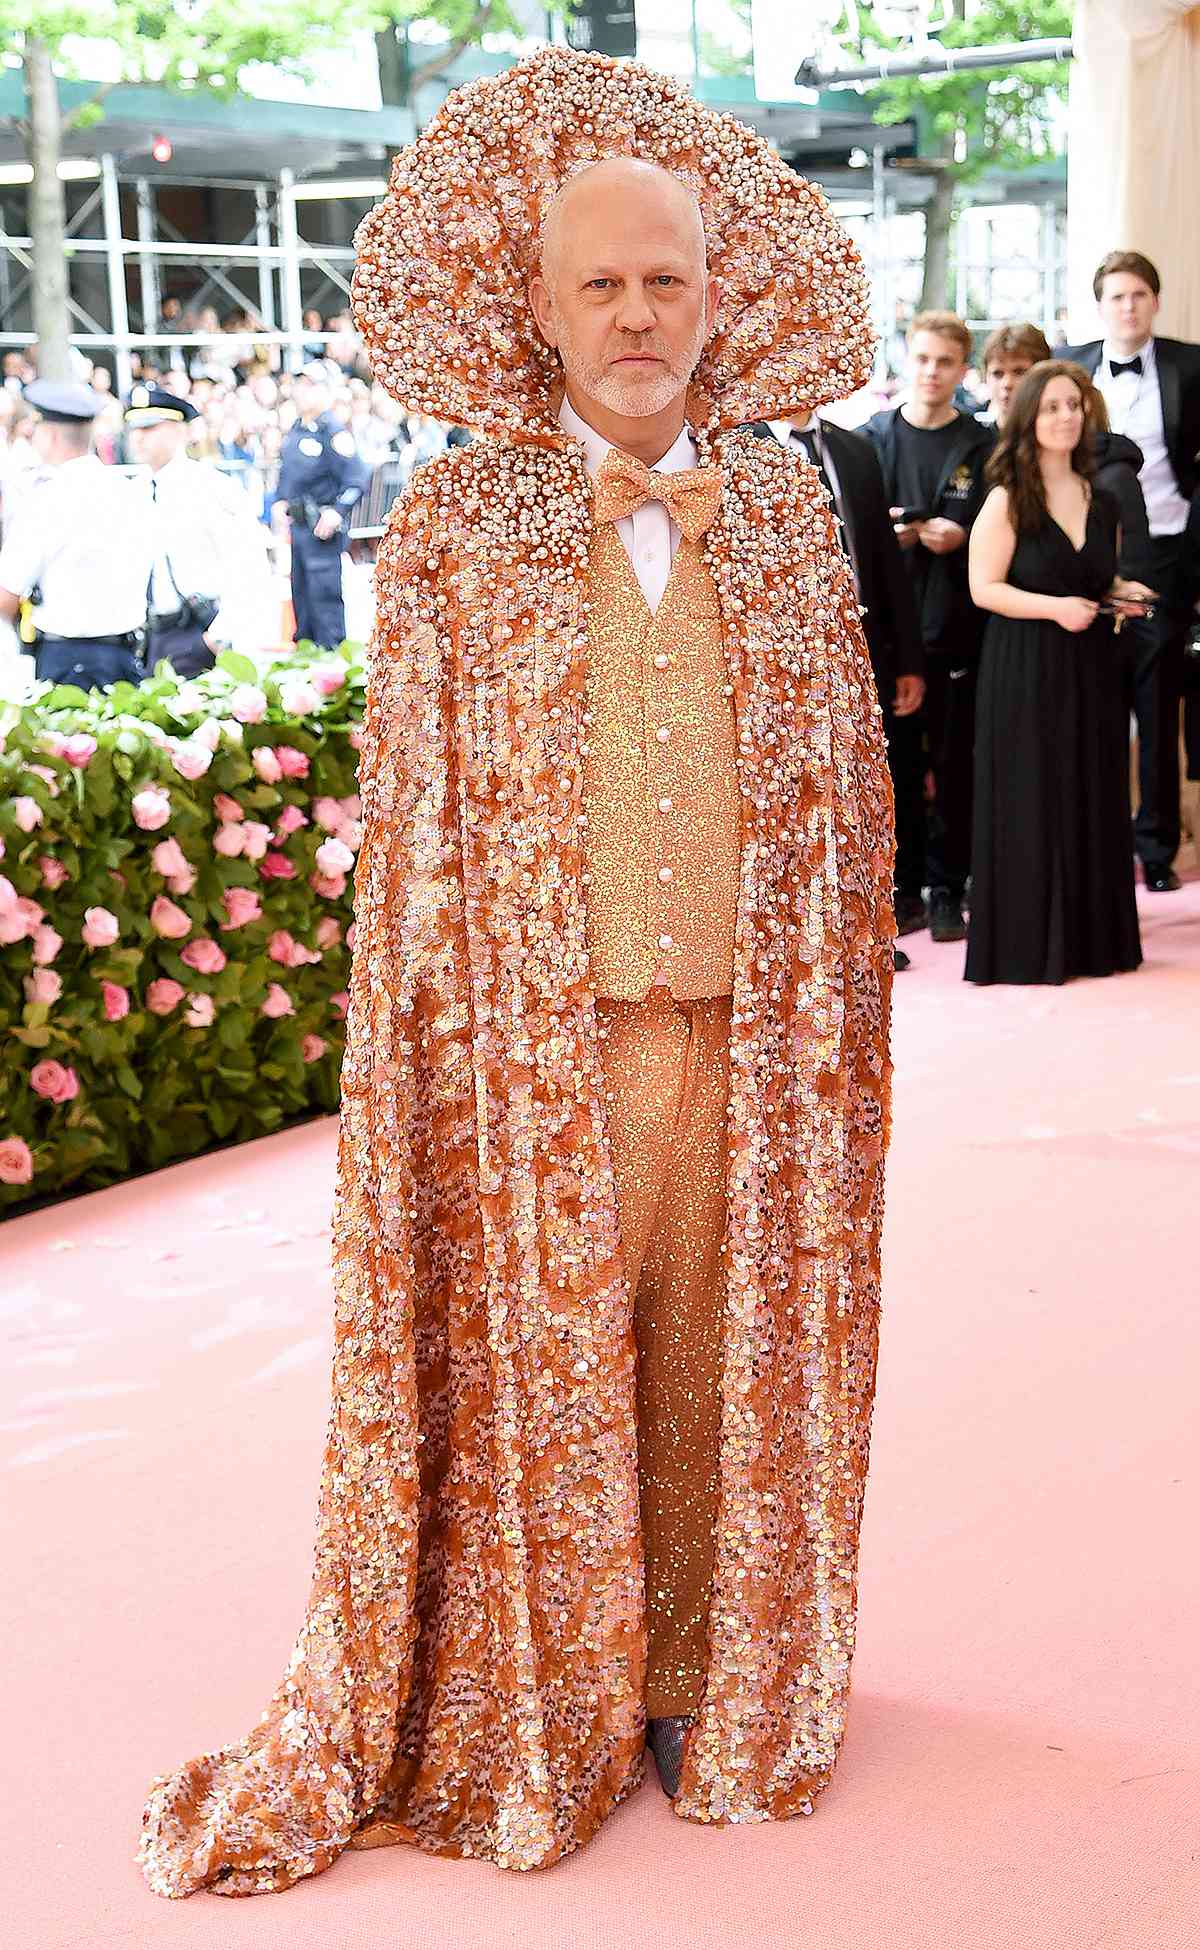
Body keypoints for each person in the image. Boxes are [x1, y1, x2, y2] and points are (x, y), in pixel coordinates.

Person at [138, 46, 895, 1898]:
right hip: (537, 1045)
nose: (640, 316)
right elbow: (417, 838)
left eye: (669, 279)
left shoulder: (793, 510)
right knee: (552, 1361)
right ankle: (545, 1676)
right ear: (535, 304)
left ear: (725, 297)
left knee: (727, 1357)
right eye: (602, 284)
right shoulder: (455, 526)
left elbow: (850, 792)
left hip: (752, 1035)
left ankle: (703, 1671)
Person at [965, 362, 1151, 984]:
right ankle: (1029, 948)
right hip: (1023, 667)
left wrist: (1125, 593)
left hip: (1091, 666)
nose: (1066, 416)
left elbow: (1096, 580)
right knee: (1032, 798)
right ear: (1029, 420)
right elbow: (983, 588)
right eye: (1052, 407)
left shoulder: (1103, 495)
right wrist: (1053, 609)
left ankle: (1094, 942)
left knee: (1091, 789)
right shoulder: (1007, 498)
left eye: (1074, 405)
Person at [756, 407, 925, 969]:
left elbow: (882, 560)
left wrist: (905, 658)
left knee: (858, 790)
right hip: (774, 656)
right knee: (793, 796)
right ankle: (800, 939)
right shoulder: (734, 442)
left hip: (860, 648)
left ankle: (866, 932)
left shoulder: (854, 451)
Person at [1056, 251, 1200, 890]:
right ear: (1100, 305)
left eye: (1139, 294)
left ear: (1155, 301)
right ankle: (1098, 841)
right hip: (1090, 560)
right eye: (1117, 296)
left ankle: (1157, 850)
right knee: (1094, 701)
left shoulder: (1190, 365)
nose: (1129, 306)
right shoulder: (1069, 369)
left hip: (1170, 553)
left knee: (1157, 700)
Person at [864, 312, 996, 942]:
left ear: (961, 370)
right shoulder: (870, 441)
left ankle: (948, 888)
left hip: (958, 630)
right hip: (885, 638)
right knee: (892, 769)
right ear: (905, 361)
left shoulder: (984, 446)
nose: (932, 372)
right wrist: (884, 537)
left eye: (945, 362)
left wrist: (966, 538)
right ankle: (903, 888)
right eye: (922, 359)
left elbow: (1007, 533)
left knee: (954, 763)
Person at [0, 381, 152, 687]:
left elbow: (7, 594)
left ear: (50, 435)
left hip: (67, 659)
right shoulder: (129, 493)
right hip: (126, 655)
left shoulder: (44, 501)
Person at [124, 384, 276, 675]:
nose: (138, 438)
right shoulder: (135, 491)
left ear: (180, 431)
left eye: (150, 428)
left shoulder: (212, 488)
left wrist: (216, 640)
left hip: (202, 632)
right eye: (134, 428)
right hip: (152, 636)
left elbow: (248, 567)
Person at [271, 359, 369, 648]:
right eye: (299, 386)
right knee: (301, 598)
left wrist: (338, 512)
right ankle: (307, 659)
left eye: (309, 386)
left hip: (320, 529)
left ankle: (332, 665)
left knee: (324, 600)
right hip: (298, 529)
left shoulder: (333, 432)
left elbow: (356, 477)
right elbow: (288, 475)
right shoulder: (297, 429)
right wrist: (279, 502)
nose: (301, 393)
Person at [978, 322, 1051, 429]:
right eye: (997, 374)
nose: (1007, 383)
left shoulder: (1063, 440)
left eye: (1019, 372)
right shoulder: (972, 442)